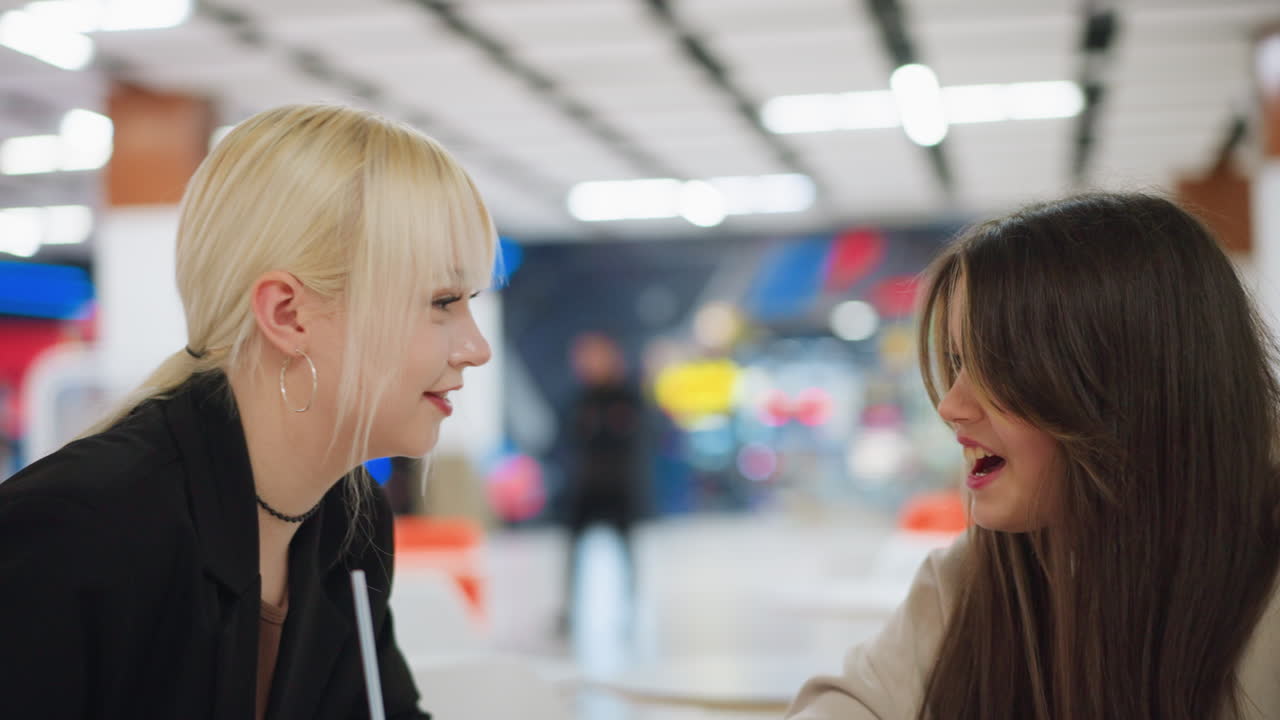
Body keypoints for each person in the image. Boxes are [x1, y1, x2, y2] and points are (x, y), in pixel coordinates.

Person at [0, 104, 495, 719]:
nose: (477, 348)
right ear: (287, 315)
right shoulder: (77, 530)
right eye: (443, 302)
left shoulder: (349, 523)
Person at [788, 193, 1280, 720]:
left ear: (1125, 384)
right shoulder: (975, 579)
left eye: (998, 364)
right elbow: (849, 703)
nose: (952, 406)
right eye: (956, 362)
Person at [559, 332, 645, 631]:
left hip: (619, 489)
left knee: (627, 553)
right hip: (586, 490)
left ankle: (631, 611)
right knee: (573, 554)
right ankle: (568, 611)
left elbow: (638, 440)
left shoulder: (628, 397)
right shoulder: (579, 399)